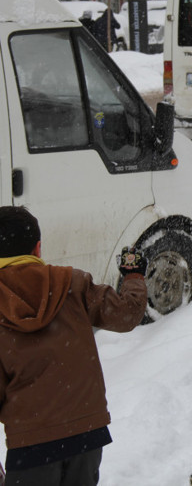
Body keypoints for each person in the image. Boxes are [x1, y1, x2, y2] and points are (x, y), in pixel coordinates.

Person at [0, 206, 148, 485]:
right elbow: (127, 314)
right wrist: (133, 276)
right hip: (87, 432)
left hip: (30, 442)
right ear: (38, 248)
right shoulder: (72, 283)